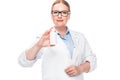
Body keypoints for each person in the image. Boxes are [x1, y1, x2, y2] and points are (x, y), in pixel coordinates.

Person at [18, 0, 97, 80]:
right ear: (52, 15)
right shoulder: (45, 37)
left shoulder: (80, 37)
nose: (59, 16)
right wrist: (38, 45)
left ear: (68, 15)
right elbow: (24, 61)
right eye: (56, 12)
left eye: (64, 12)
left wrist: (80, 68)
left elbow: (91, 60)